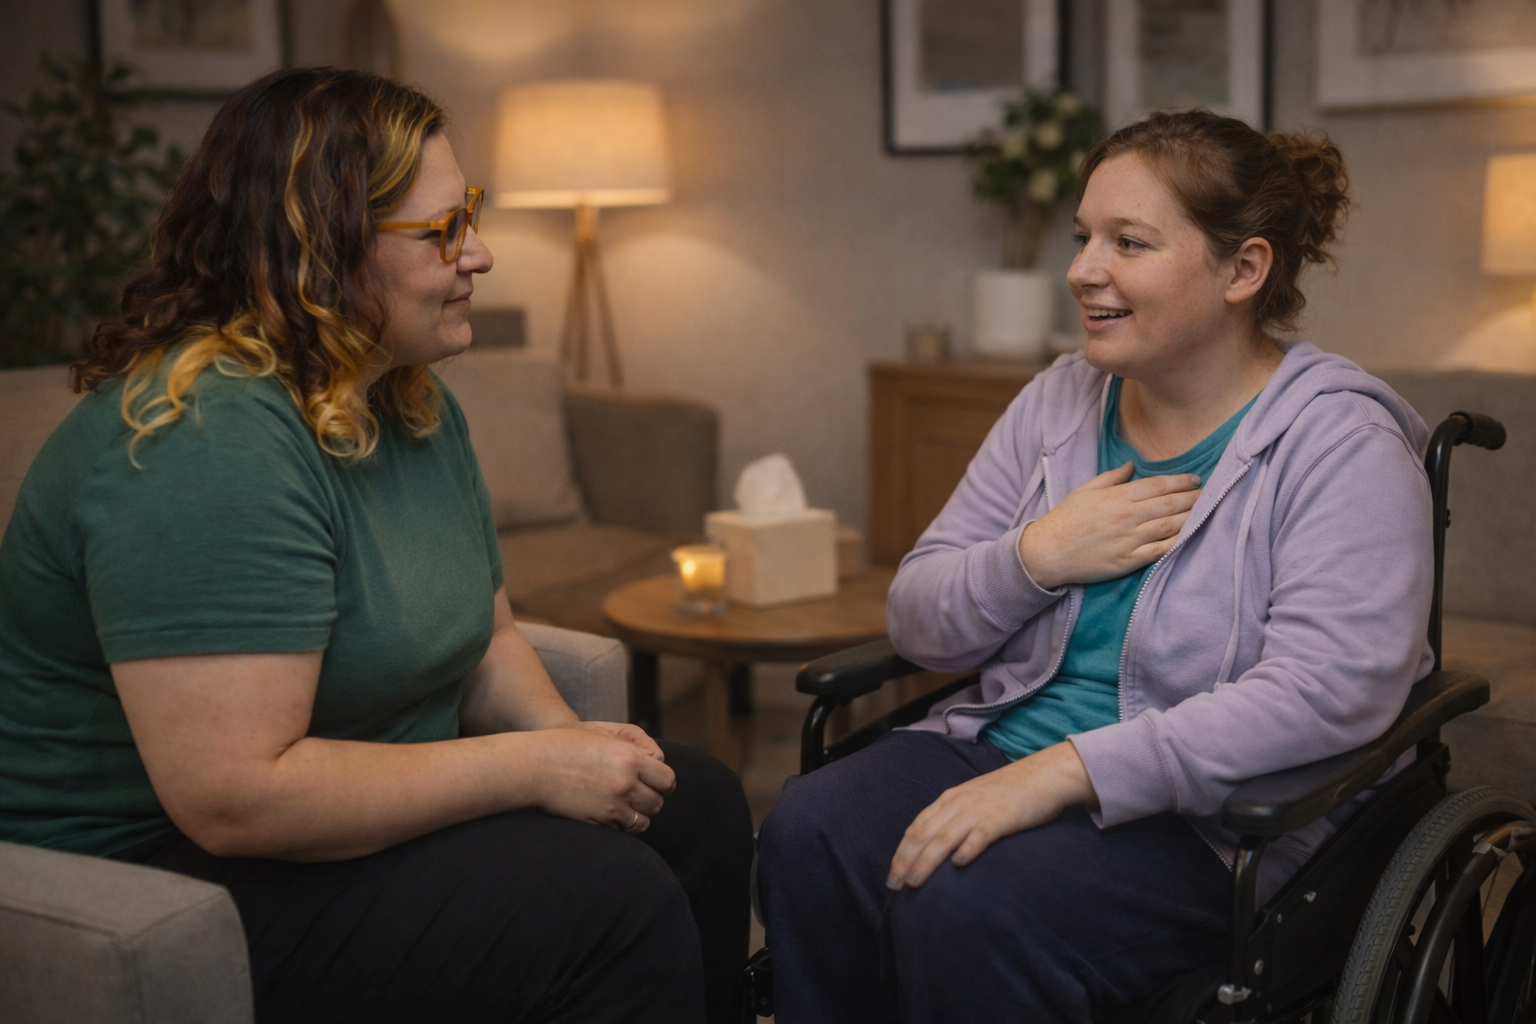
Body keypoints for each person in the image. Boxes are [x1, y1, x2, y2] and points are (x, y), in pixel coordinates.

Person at [0, 66, 753, 1024]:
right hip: (165, 871)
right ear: (319, 252)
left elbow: (487, 639)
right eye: (442, 230)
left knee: (700, 806)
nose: (479, 252)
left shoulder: (408, 399)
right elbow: (237, 797)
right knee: (611, 902)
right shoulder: (205, 438)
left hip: (340, 811)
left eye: (468, 212)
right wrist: (532, 769)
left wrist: (569, 747)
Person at [757, 109, 1435, 1022]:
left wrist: (1064, 771)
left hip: (1212, 828)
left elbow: (1328, 690)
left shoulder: (1341, 445)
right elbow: (916, 617)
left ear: (1243, 270)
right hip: (1001, 747)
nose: (1081, 269)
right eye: (1084, 237)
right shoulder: (1058, 402)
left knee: (966, 902)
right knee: (808, 828)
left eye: (1129, 241)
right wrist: (1037, 556)